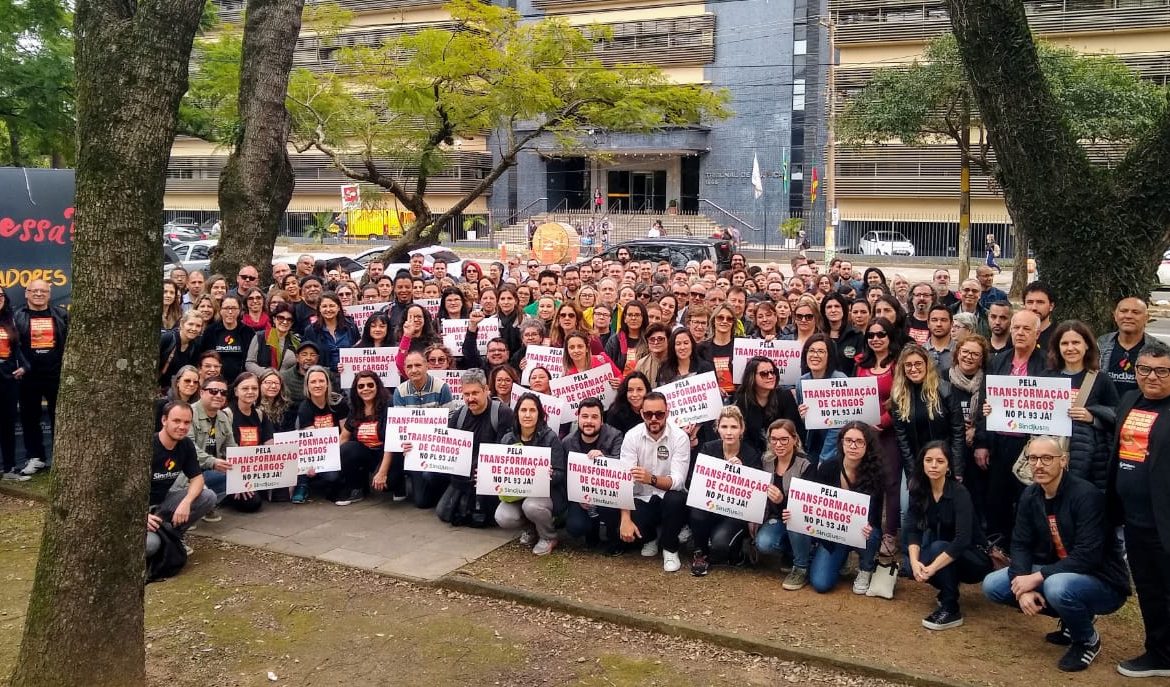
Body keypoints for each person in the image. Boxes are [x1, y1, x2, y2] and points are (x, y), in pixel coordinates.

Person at [983, 436, 1130, 672]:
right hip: (1057, 573)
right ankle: (1073, 620)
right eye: (1033, 458)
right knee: (993, 585)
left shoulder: (1087, 496)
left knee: (1057, 587)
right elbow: (1021, 544)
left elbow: (1087, 555)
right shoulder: (1030, 496)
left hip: (1102, 581)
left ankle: (1087, 640)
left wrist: (1037, 578)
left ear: (1064, 461)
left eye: (1047, 458)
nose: (1039, 464)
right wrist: (1023, 587)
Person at [1110, 340, 1170, 677]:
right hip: (1133, 519)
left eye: (1162, 371)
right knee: (1148, 589)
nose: (1152, 377)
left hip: (1164, 520)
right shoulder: (1130, 400)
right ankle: (1159, 653)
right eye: (1144, 369)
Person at [976, 309, 1046, 546]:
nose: (1020, 333)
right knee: (996, 498)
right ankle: (997, 548)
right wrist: (982, 443)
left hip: (1029, 444)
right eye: (1016, 328)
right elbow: (985, 403)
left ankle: (1027, 548)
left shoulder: (1047, 364)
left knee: (1028, 498)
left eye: (1027, 329)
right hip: (999, 442)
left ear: (1037, 333)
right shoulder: (998, 361)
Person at [905, 441, 992, 631]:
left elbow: (962, 540)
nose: (934, 466)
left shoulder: (959, 493)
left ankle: (951, 607)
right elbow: (913, 530)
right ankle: (947, 587)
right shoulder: (918, 490)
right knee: (910, 563)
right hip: (945, 552)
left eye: (940, 461)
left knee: (936, 550)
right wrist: (914, 562)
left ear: (949, 466)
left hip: (973, 558)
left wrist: (933, 568)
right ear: (922, 463)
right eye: (928, 460)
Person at [807, 422, 886, 594]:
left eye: (859, 441)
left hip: (861, 532)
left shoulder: (876, 472)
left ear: (867, 445)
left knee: (872, 534)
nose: (853, 445)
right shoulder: (828, 467)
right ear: (841, 443)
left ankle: (865, 568)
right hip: (833, 532)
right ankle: (841, 558)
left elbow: (876, 514)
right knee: (820, 583)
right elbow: (817, 505)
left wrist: (869, 526)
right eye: (848, 440)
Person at [616, 391, 690, 572]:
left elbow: (678, 481)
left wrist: (652, 479)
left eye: (659, 414)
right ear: (641, 414)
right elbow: (623, 481)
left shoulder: (680, 437)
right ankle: (650, 539)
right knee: (622, 512)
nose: (654, 419)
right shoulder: (632, 436)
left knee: (676, 499)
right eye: (649, 414)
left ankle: (670, 548)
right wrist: (624, 519)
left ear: (668, 413)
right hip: (641, 497)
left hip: (668, 496)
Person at [434, 369, 515, 527]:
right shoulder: (459, 416)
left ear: (486, 390)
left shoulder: (503, 413)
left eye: (475, 393)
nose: (470, 398)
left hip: (490, 477)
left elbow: (504, 452)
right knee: (443, 513)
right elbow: (447, 446)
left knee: (481, 518)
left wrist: (484, 470)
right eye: (466, 394)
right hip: (464, 477)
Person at [1044, 320, 1118, 491]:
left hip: (1090, 459)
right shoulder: (1046, 377)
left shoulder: (1101, 379)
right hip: (1052, 455)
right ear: (1057, 347)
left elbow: (1117, 415)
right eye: (1064, 343)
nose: (1070, 348)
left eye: (1076, 342)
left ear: (1087, 345)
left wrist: (1093, 418)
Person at [689, 406, 762, 576]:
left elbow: (756, 494)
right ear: (717, 428)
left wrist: (742, 472)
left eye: (734, 427)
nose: (729, 432)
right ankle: (700, 553)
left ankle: (736, 553)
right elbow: (696, 481)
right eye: (724, 427)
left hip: (735, 512)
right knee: (696, 512)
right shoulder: (708, 448)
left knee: (720, 546)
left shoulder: (751, 454)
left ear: (741, 429)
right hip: (711, 506)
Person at [494, 393, 568, 556]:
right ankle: (532, 529)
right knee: (503, 516)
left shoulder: (550, 438)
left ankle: (549, 537)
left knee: (532, 506)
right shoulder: (508, 439)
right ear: (517, 413)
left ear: (539, 414)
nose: (527, 415)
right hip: (517, 493)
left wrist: (550, 474)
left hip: (546, 495)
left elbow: (560, 474)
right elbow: (499, 468)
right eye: (523, 410)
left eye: (532, 410)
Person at [147, 402, 217, 561]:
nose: (182, 426)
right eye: (176, 421)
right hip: (138, 509)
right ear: (164, 420)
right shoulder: (149, 446)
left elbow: (197, 478)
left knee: (208, 496)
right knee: (150, 546)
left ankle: (173, 535)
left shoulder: (185, 444)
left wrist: (186, 502)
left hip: (163, 502)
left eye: (187, 422)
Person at [14, 279, 69, 475]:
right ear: (26, 294)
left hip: (56, 375)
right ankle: (35, 458)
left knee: (60, 417)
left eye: (43, 291)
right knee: (30, 418)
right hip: (28, 376)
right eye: (34, 291)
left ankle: (62, 458)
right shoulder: (17, 316)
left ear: (49, 294)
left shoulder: (62, 315)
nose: (38, 294)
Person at [754, 419, 816, 589]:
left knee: (795, 521)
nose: (778, 444)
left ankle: (801, 567)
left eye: (784, 439)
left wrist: (783, 500)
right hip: (775, 519)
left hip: (798, 520)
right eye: (773, 439)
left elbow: (807, 505)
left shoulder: (805, 465)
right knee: (764, 543)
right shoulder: (765, 462)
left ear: (795, 439)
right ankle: (792, 552)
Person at [392, 349, 455, 509]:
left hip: (437, 448)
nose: (414, 370)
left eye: (418, 365)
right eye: (410, 366)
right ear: (405, 369)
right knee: (422, 503)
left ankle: (443, 489)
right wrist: (404, 443)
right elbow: (400, 426)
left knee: (431, 478)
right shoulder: (400, 391)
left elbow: (451, 420)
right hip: (413, 450)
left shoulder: (442, 388)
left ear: (426, 366)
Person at [563, 398, 625, 547]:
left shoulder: (615, 436)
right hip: (581, 498)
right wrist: (577, 497)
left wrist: (604, 459)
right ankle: (591, 529)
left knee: (608, 509)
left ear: (602, 420)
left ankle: (612, 535)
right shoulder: (567, 442)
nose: (589, 421)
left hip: (608, 496)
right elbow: (566, 476)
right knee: (575, 528)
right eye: (584, 416)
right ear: (577, 418)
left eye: (594, 417)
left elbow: (621, 467)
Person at [214, 372, 271, 509]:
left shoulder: (260, 414)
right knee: (253, 503)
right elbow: (221, 451)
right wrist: (239, 479)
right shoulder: (226, 415)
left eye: (254, 388)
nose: (250, 392)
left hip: (256, 468)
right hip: (231, 469)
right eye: (245, 388)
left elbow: (270, 444)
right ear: (236, 391)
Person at [336, 371, 391, 505]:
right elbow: (343, 437)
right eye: (361, 386)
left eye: (370, 385)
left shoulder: (389, 405)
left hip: (386, 454)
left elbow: (392, 442)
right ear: (356, 390)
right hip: (366, 453)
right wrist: (325, 462)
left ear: (377, 386)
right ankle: (357, 488)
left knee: (389, 484)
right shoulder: (355, 408)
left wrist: (382, 472)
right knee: (347, 449)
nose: (366, 389)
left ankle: (398, 485)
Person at [735, 356, 804, 457]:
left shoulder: (785, 396)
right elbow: (743, 436)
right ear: (752, 377)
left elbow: (794, 430)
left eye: (773, 372)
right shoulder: (742, 399)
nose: (771, 376)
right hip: (753, 454)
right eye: (764, 374)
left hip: (783, 453)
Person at [795, 335, 845, 465]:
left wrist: (824, 458)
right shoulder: (801, 382)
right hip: (813, 445)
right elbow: (807, 422)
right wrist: (804, 417)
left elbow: (838, 425)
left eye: (821, 351)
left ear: (829, 356)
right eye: (811, 351)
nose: (815, 355)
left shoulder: (839, 380)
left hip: (836, 448)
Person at [0, 287, 31, 480]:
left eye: (0, 295)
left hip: (7, 379)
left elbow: (18, 350)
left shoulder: (10, 320)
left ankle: (9, 469)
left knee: (7, 424)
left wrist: (25, 367)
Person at [1098, 296, 1151, 398]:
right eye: (1124, 311)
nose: (1128, 316)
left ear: (1146, 318)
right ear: (1115, 316)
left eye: (1135, 312)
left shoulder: (1158, 349)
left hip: (1139, 410)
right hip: (1104, 409)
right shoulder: (1100, 345)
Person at [199, 295, 255, 383]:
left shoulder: (248, 332)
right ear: (220, 310)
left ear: (239, 310)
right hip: (214, 380)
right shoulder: (210, 331)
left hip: (240, 381)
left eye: (233, 308)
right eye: (226, 308)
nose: (230, 312)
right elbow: (203, 357)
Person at [159, 311, 205, 393]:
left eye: (198, 326)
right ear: (182, 324)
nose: (194, 329)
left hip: (177, 392)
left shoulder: (195, 346)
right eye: (190, 324)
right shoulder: (168, 339)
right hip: (159, 389)